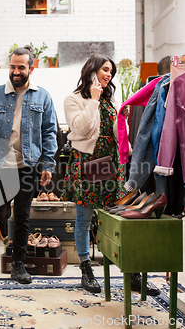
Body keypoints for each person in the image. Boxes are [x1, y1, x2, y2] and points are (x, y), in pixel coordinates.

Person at [61, 54, 159, 296]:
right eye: (105, 69)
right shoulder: (73, 99)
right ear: (92, 69)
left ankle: (131, 272)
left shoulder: (110, 99)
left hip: (111, 163)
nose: (109, 75)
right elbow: (82, 129)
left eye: (111, 72)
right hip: (88, 163)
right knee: (84, 219)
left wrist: (122, 120)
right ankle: (86, 269)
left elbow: (115, 134)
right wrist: (93, 100)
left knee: (118, 216)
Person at [0, 45, 58, 285]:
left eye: (21, 67)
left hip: (27, 165)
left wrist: (48, 165)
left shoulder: (43, 97)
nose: (16, 71)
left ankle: (18, 264)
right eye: (12, 66)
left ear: (32, 68)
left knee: (22, 217)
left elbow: (49, 132)